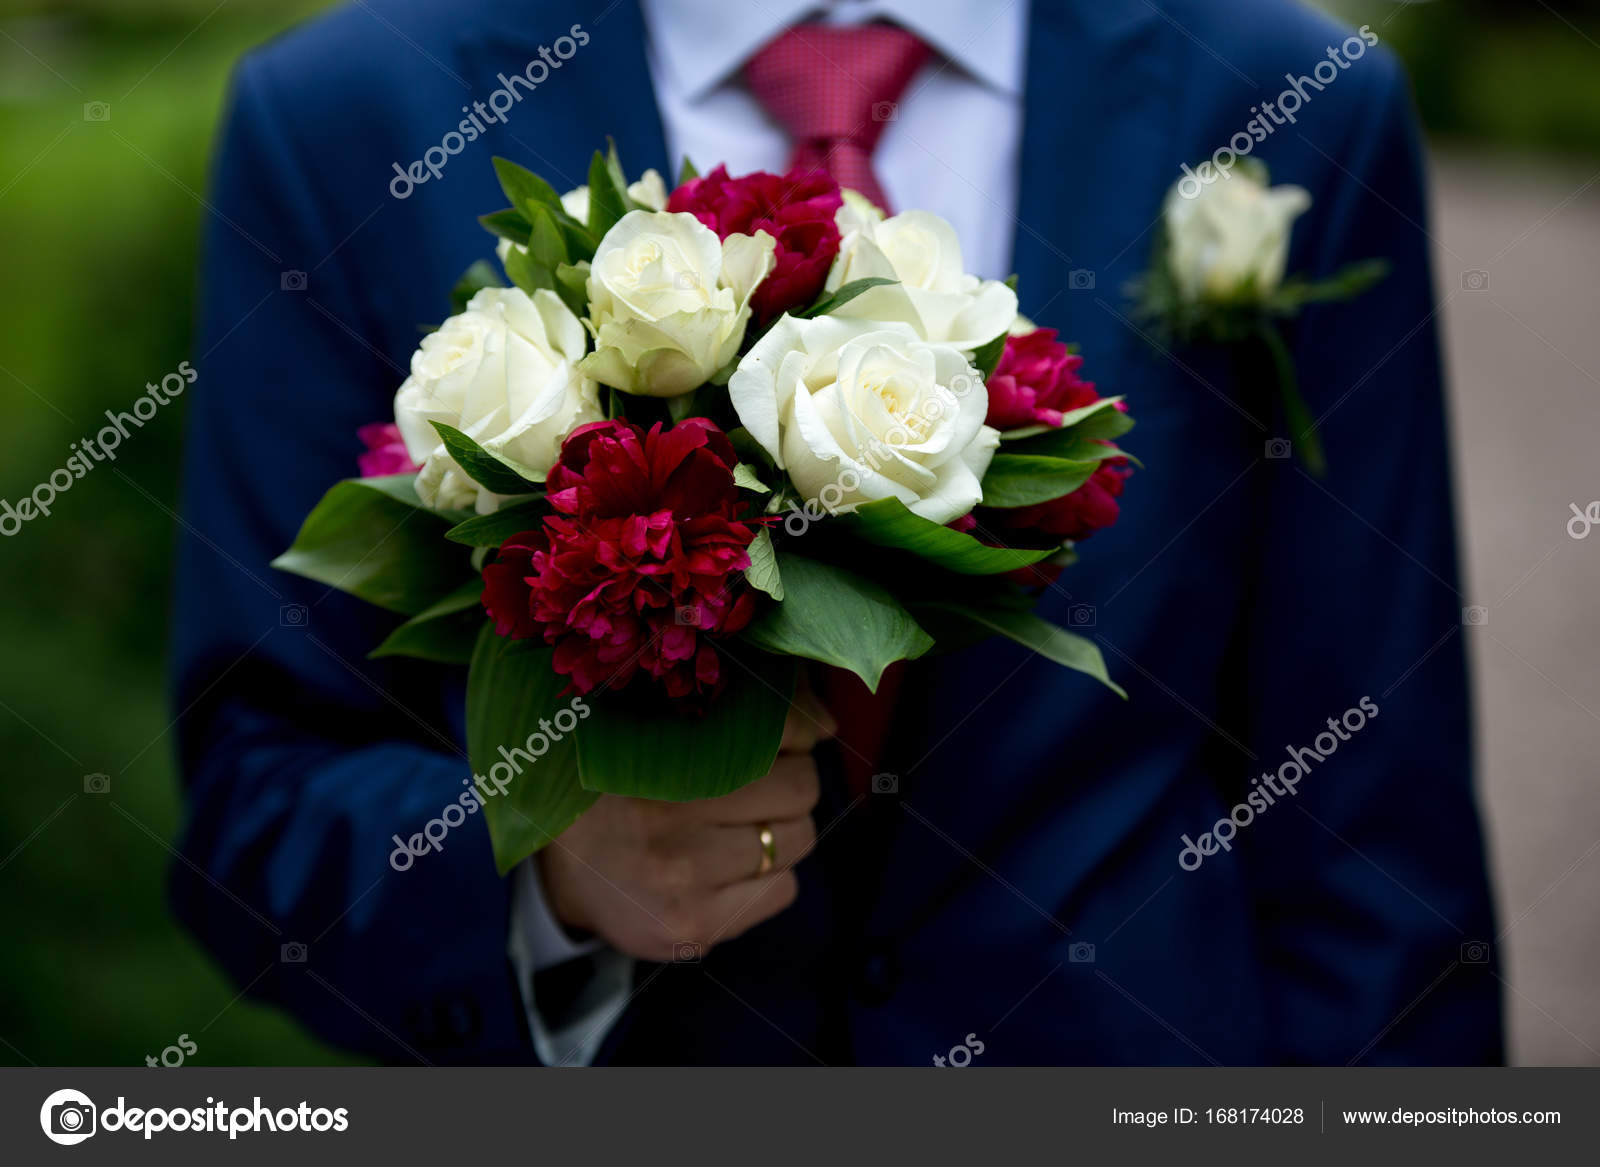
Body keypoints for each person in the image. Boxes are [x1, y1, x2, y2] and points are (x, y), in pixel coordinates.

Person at [172, 0, 1502, 1064]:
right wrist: (548, 877)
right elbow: (258, 787)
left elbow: (1378, 814)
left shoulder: (1291, 95)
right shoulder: (343, 113)